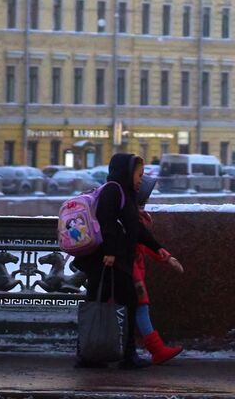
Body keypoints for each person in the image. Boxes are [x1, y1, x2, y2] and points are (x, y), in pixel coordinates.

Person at [76, 152, 161, 369]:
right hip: (106, 260)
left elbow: (135, 228)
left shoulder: (125, 193)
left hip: (115, 260)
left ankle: (93, 354)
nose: (141, 178)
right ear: (127, 171)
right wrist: (111, 252)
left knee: (103, 302)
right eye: (138, 174)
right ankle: (117, 355)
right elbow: (107, 221)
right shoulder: (113, 190)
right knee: (111, 303)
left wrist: (159, 248)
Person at [132, 178, 185, 364]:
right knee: (140, 306)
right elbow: (145, 246)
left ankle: (137, 350)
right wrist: (168, 258)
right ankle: (157, 350)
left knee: (132, 309)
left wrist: (168, 258)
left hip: (132, 270)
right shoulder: (134, 220)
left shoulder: (137, 218)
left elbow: (147, 246)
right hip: (132, 273)